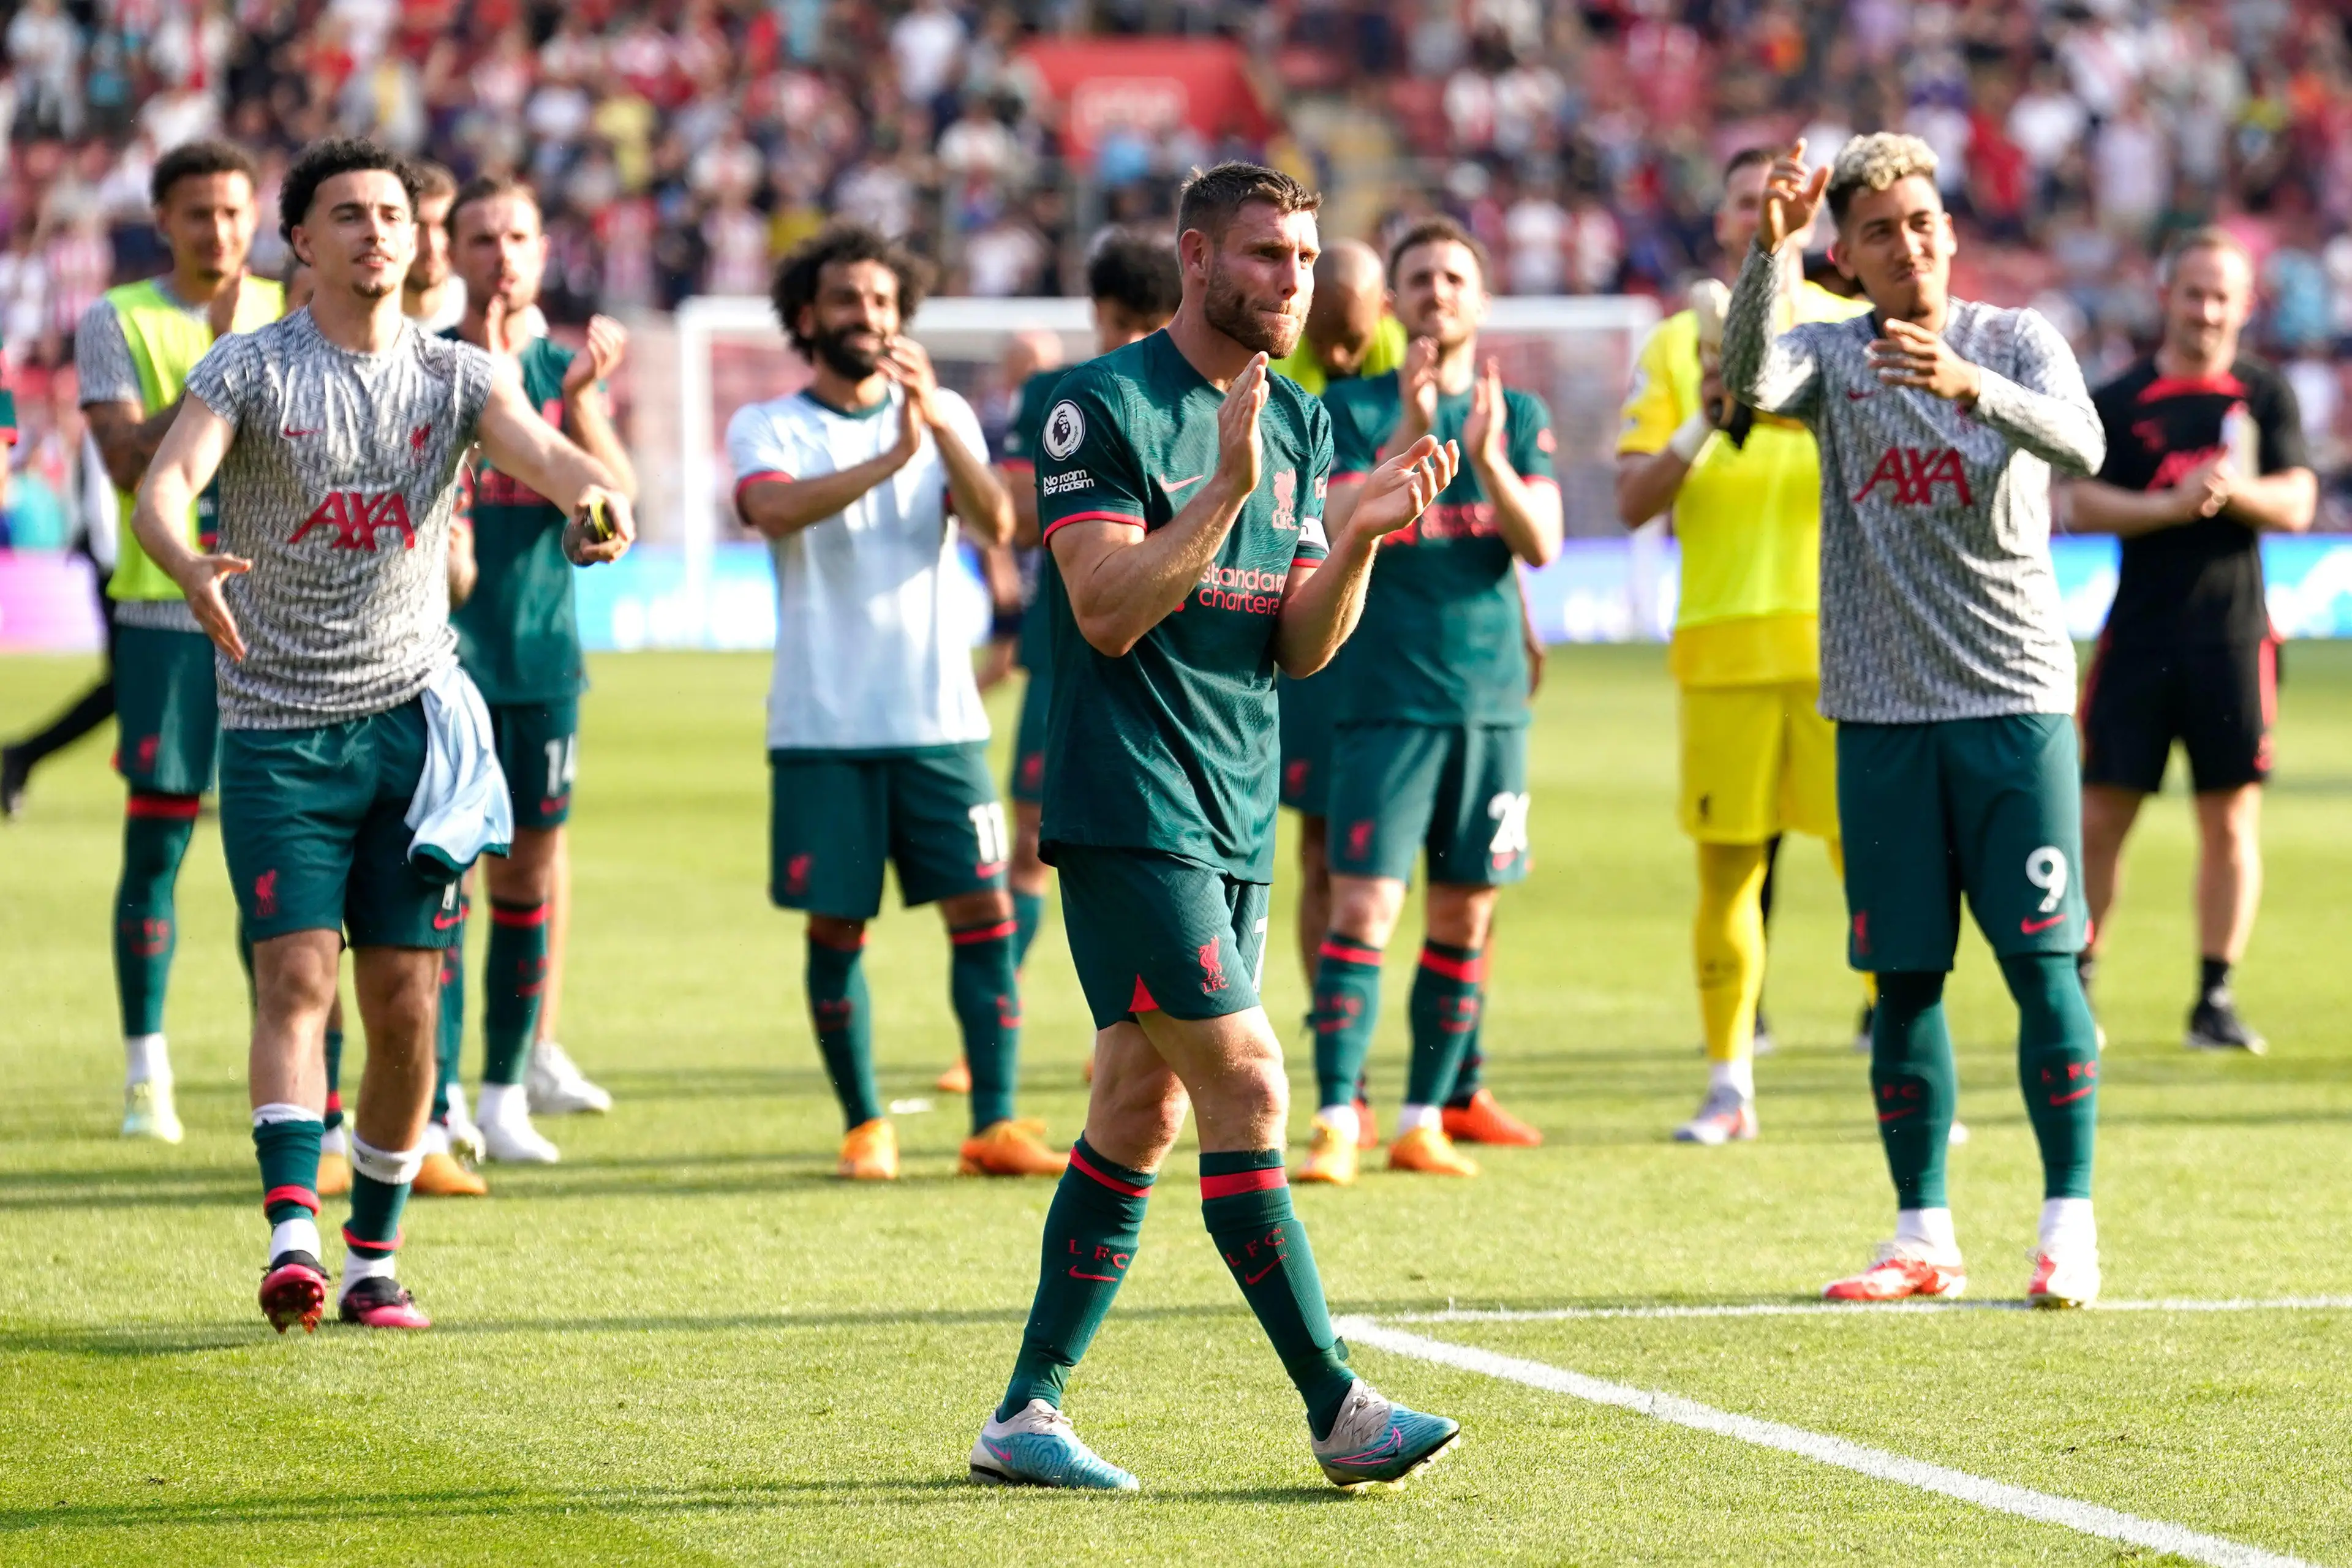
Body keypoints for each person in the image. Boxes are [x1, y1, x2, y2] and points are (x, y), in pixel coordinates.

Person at [970, 162, 1463, 1492]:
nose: (1292, 281)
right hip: (1131, 804)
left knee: (1139, 1108)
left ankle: (1026, 1411)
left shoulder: (1294, 419)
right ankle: (1336, 1404)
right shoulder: (1098, 406)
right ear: (1195, 259)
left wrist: (1356, 533)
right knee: (1249, 1080)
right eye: (1264, 256)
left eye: (1304, 257)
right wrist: (1228, 490)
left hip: (1238, 806)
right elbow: (1107, 607)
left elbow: (1299, 646)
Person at [127, 137, 634, 1333]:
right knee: (297, 973)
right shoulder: (248, 368)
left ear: (415, 238)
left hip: (414, 728)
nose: (375, 231)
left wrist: (592, 498)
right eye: (347, 214)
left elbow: (549, 453)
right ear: (300, 242)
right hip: (277, 729)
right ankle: (294, 1230)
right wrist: (186, 559)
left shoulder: (455, 376)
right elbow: (162, 485)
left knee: (407, 1000)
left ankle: (375, 1254)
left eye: (392, 214)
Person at [1725, 134, 2108, 1308]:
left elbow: (2087, 444)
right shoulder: (1833, 358)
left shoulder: (2015, 340)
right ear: (1849, 254)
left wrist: (1968, 385)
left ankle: (2068, 1225)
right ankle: (1923, 1235)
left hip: (2015, 702)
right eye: (1881, 231)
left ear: (1952, 231)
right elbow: (1746, 381)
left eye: (1925, 222)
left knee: (2046, 970)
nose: (1910, 245)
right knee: (1905, 983)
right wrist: (1767, 248)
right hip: (1882, 715)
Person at [728, 223, 1057, 1182]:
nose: (868, 317)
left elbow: (1001, 523)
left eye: (881, 302)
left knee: (986, 914)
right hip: (823, 725)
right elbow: (772, 510)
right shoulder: (771, 426)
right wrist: (889, 457)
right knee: (838, 928)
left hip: (939, 718)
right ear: (807, 316)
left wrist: (937, 431)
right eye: (847, 301)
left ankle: (994, 1125)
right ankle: (865, 1122)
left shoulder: (940, 409)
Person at [1615, 148, 1875, 1145]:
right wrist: (1704, 420)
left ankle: (1908, 1073)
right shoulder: (1679, 343)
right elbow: (1636, 501)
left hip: (1842, 644)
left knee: (1877, 870)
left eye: (1779, 204)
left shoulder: (1849, 331)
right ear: (1726, 222)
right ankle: (1730, 1085)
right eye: (1742, 202)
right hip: (1721, 645)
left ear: (1810, 224)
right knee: (1729, 876)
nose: (1760, 216)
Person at [1296, 218, 1560, 1186]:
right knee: (1361, 909)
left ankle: (1422, 1120)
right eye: (1419, 279)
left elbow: (1542, 545)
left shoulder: (1519, 414)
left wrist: (1487, 459)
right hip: (1382, 700)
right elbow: (1329, 521)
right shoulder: (1350, 408)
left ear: (1479, 301)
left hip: (1488, 709)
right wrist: (1410, 431)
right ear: (1394, 302)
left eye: (1454, 277)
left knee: (1464, 918)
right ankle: (1336, 1114)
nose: (1437, 292)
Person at [934, 228, 1181, 1098]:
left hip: (1169, 662)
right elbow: (1008, 511)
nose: (1132, 345)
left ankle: (1138, 1031)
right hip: (1068, 648)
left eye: (1149, 326)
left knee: (1162, 855)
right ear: (1098, 318)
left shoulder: (1190, 393)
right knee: (1039, 849)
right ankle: (993, 1030)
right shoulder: (1059, 396)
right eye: (1123, 327)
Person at [75, 138, 284, 1144]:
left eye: (236, 212)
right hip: (161, 610)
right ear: (163, 220)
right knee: (157, 844)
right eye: (199, 213)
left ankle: (279, 1070)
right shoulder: (115, 319)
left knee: (272, 857)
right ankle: (144, 1070)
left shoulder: (294, 306)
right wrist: (217, 376)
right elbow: (122, 462)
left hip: (273, 616)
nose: (220, 231)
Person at [2067, 229, 2316, 1055]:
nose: (2206, 310)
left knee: (2230, 822)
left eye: (2222, 296)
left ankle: (2213, 997)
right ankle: (2078, 986)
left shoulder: (2264, 397)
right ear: (2165, 297)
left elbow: (2298, 501)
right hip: (2138, 638)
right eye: (2193, 293)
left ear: (2244, 306)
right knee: (2101, 815)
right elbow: (2080, 504)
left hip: (2234, 639)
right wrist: (2168, 507)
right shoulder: (2117, 398)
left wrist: (2232, 492)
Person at [436, 174, 634, 1176]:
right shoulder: (426, 365)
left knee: (526, 884)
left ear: (543, 251)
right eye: (481, 237)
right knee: (435, 887)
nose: (501, 254)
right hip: (439, 668)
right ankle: (432, 1101)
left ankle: (504, 1094)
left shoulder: (562, 368)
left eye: (517, 235)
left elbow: (620, 502)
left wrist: (589, 403)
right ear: (450, 251)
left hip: (545, 666)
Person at [1269, 239, 1405, 1152]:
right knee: (1320, 846)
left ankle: (1452, 1073)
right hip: (1316, 618)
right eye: (1338, 333)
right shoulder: (1288, 361)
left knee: (1457, 871)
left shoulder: (1405, 356)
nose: (1351, 351)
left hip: (1405, 639)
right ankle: (1334, 1041)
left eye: (1364, 330)